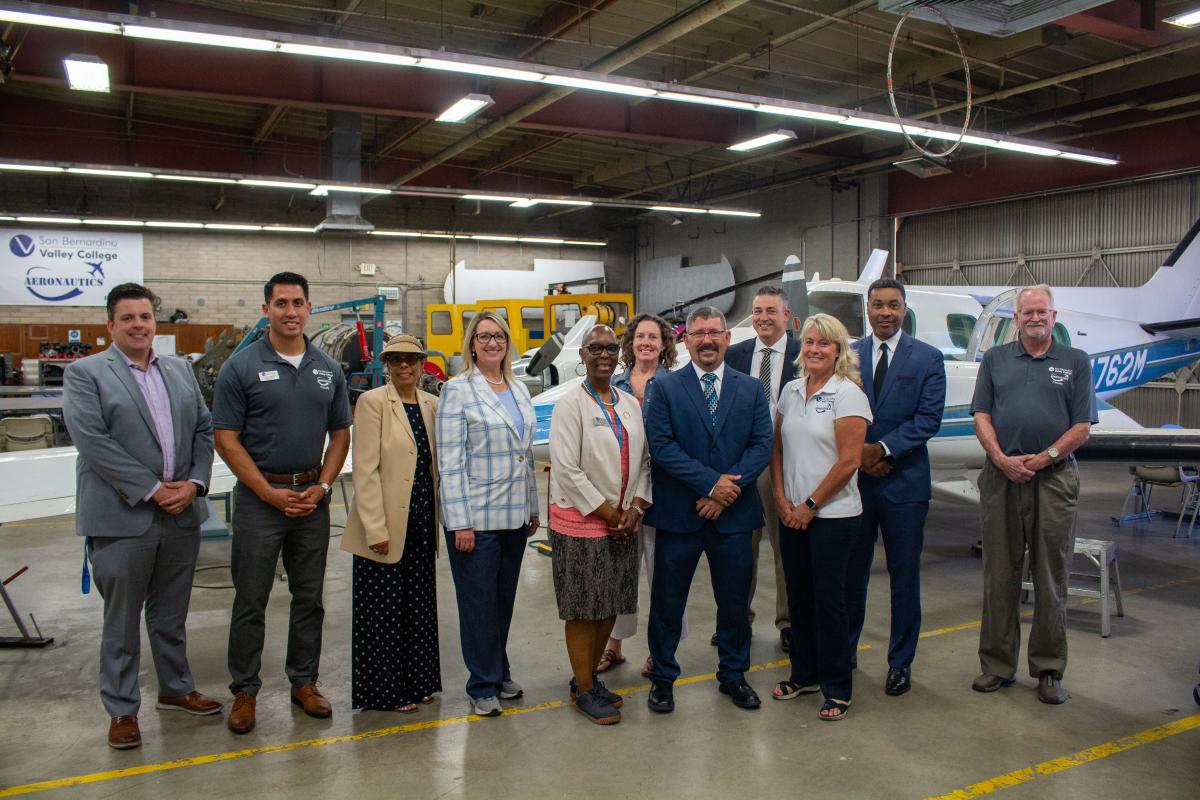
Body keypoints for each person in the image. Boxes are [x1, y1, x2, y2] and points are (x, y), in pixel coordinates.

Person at [63, 282, 221, 750]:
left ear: (156, 323)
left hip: (180, 513)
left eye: (145, 317)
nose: (138, 325)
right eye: (128, 318)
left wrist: (193, 484)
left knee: (171, 614)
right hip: (121, 516)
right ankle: (122, 708)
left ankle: (174, 689)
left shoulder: (179, 370)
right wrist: (153, 490)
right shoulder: (87, 374)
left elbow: (203, 430)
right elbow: (93, 442)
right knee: (122, 620)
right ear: (111, 325)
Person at [212, 272, 352, 734]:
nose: (290, 312)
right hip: (260, 502)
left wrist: (325, 485)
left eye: (297, 303)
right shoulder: (241, 367)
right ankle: (245, 691)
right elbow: (226, 439)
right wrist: (266, 492)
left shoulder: (326, 369)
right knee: (251, 599)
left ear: (309, 307)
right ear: (266, 309)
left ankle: (304, 682)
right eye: (281, 303)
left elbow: (340, 434)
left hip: (312, 500)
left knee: (309, 597)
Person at [970, 284, 1096, 705]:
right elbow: (982, 414)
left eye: (1042, 312)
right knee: (999, 575)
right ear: (1017, 319)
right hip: (1001, 476)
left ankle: (1048, 669)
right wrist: (1001, 458)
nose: (1035, 318)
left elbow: (1082, 426)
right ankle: (997, 666)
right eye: (1028, 312)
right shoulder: (996, 360)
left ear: (1054, 317)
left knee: (1050, 575)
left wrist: (1043, 458)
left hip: (1054, 478)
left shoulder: (1075, 362)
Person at [643, 306, 773, 714]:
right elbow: (661, 447)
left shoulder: (751, 389)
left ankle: (733, 675)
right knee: (668, 603)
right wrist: (709, 484)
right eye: (698, 334)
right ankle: (663, 678)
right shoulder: (665, 388)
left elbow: (761, 445)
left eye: (714, 333)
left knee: (734, 603)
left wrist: (724, 492)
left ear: (727, 338)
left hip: (733, 516)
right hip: (679, 515)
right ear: (686, 341)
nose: (707, 341)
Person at [437, 311, 540, 718]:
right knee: (478, 604)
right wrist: (459, 521)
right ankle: (481, 683)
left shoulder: (517, 388)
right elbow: (449, 461)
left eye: (498, 336)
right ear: (472, 344)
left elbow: (525, 455)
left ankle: (498, 672)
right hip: (476, 521)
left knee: (502, 602)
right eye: (484, 336)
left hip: (514, 517)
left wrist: (532, 508)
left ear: (507, 341)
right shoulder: (457, 390)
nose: (492, 343)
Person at [846, 278, 945, 696]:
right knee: (852, 575)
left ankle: (900, 663)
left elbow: (927, 420)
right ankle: (844, 652)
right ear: (867, 310)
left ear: (904, 309)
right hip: (854, 485)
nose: (885, 312)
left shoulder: (928, 358)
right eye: (878, 305)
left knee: (904, 579)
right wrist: (859, 456)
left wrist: (882, 451)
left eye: (894, 305)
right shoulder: (848, 355)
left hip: (904, 485)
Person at [549, 325, 652, 724]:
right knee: (582, 608)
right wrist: (611, 514)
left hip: (625, 520)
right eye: (596, 348)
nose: (604, 354)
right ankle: (585, 688)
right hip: (583, 521)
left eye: (611, 348)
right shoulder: (570, 405)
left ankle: (587, 680)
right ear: (584, 355)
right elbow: (567, 469)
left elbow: (644, 461)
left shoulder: (628, 403)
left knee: (610, 601)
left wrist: (635, 508)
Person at [771, 313, 871, 721]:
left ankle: (837, 686)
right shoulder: (792, 391)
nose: (814, 349)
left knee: (830, 601)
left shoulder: (849, 395)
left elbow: (848, 462)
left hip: (833, 516)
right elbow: (776, 448)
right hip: (791, 513)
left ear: (838, 351)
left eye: (824, 344)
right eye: (809, 342)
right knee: (799, 599)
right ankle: (804, 674)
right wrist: (780, 498)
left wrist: (809, 506)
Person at [341, 335, 442, 713]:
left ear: (421, 365)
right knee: (383, 612)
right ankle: (385, 692)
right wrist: (375, 529)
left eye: (412, 360)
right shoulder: (372, 403)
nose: (405, 366)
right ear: (387, 364)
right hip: (383, 523)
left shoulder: (432, 404)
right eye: (397, 360)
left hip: (421, 521)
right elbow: (364, 471)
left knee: (417, 606)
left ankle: (417, 682)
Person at [602, 313, 680, 677]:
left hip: (662, 492)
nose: (646, 342)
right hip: (620, 491)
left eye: (653, 336)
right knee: (620, 572)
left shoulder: (676, 383)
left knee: (660, 576)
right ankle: (613, 646)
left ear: (664, 344)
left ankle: (658, 652)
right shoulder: (613, 383)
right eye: (640, 336)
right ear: (630, 343)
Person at [725, 285, 799, 653]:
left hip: (786, 459)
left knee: (785, 544)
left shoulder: (805, 353)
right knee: (741, 544)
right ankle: (737, 618)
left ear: (787, 315)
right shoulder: (735, 355)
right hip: (744, 461)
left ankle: (788, 621)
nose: (763, 317)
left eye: (771, 310)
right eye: (757, 311)